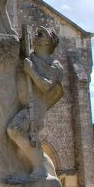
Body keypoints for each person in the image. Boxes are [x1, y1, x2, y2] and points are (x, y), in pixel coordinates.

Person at [6, 26, 64, 179]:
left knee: (15, 130)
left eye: (42, 34)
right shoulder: (28, 56)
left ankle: (40, 169)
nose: (37, 34)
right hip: (21, 102)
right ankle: (47, 172)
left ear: (49, 42)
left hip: (36, 105)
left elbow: (46, 87)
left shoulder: (55, 65)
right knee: (31, 141)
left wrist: (31, 71)